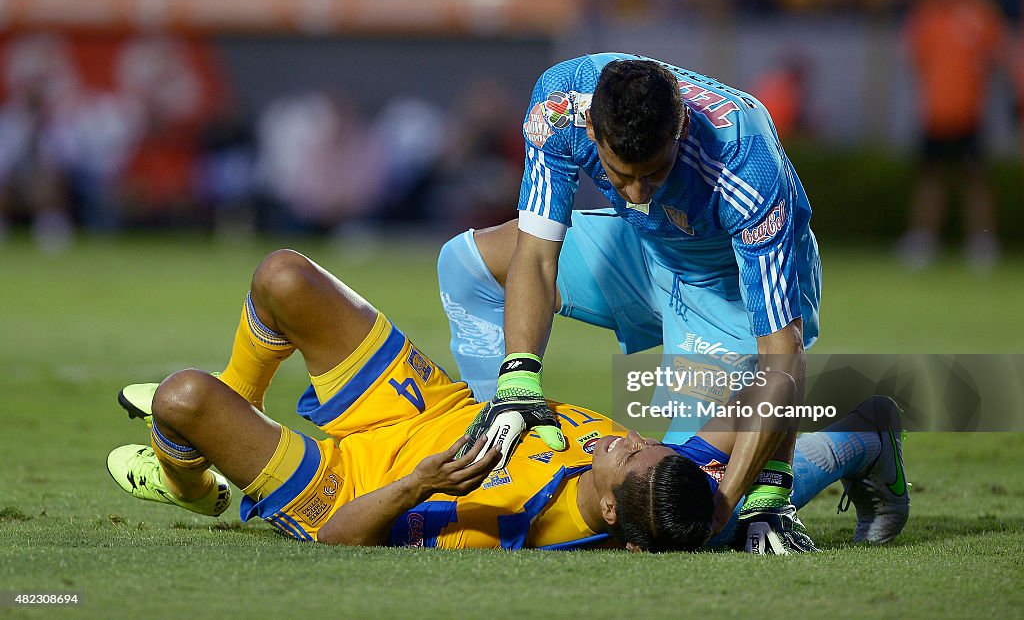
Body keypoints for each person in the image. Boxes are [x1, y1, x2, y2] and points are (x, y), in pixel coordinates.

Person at [106, 250, 907, 552]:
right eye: (634, 439)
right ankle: (870, 437)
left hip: (345, 481)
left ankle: (194, 487)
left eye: (618, 457)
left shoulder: (503, 520)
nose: (613, 442)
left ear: (609, 524)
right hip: (426, 405)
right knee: (283, 276)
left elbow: (340, 541)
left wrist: (419, 484)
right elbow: (757, 402)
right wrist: (754, 489)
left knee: (182, 398)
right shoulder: (666, 484)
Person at [436, 54, 822, 527]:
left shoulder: (747, 163)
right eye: (621, 175)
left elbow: (782, 357)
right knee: (465, 265)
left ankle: (859, 438)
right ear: (593, 132)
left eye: (654, 173)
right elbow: (536, 256)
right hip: (640, 252)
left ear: (679, 132)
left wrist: (748, 499)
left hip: (727, 295)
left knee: (677, 508)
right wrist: (518, 382)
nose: (637, 195)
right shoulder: (560, 105)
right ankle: (502, 440)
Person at [898, 0, 1007, 271]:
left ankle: (983, 242)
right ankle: (922, 239)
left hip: (969, 113)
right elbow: (915, 60)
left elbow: (995, 59)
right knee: (930, 178)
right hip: (934, 113)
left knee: (974, 179)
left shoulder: (981, 13)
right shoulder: (927, 14)